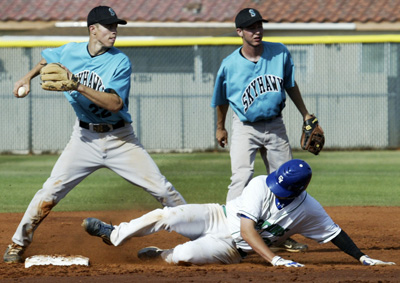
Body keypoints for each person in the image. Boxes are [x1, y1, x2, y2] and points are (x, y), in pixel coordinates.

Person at [3, 5, 186, 264]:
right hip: (84, 139)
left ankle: (202, 233)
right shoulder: (70, 51)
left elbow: (114, 104)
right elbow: (47, 59)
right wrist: (27, 77)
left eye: (116, 27)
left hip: (120, 139)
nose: (114, 31)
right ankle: (17, 244)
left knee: (164, 190)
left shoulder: (119, 61)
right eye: (108, 27)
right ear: (93, 30)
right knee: (48, 193)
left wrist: (77, 84)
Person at [82, 159, 395, 267]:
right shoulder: (262, 183)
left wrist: (362, 257)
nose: (276, 189)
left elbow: (335, 233)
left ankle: (161, 254)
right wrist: (274, 259)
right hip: (218, 216)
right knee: (167, 215)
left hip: (231, 250)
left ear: (300, 190)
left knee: (183, 256)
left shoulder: (309, 210)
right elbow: (247, 229)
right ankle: (116, 234)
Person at [211, 7, 316, 253]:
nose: (257, 31)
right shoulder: (229, 65)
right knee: (241, 177)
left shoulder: (279, 52)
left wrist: (305, 113)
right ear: (240, 32)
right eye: (250, 27)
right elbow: (220, 100)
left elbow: (290, 85)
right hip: (245, 126)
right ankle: (232, 233)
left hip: (275, 124)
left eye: (259, 26)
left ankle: (278, 236)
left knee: (286, 180)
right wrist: (220, 128)